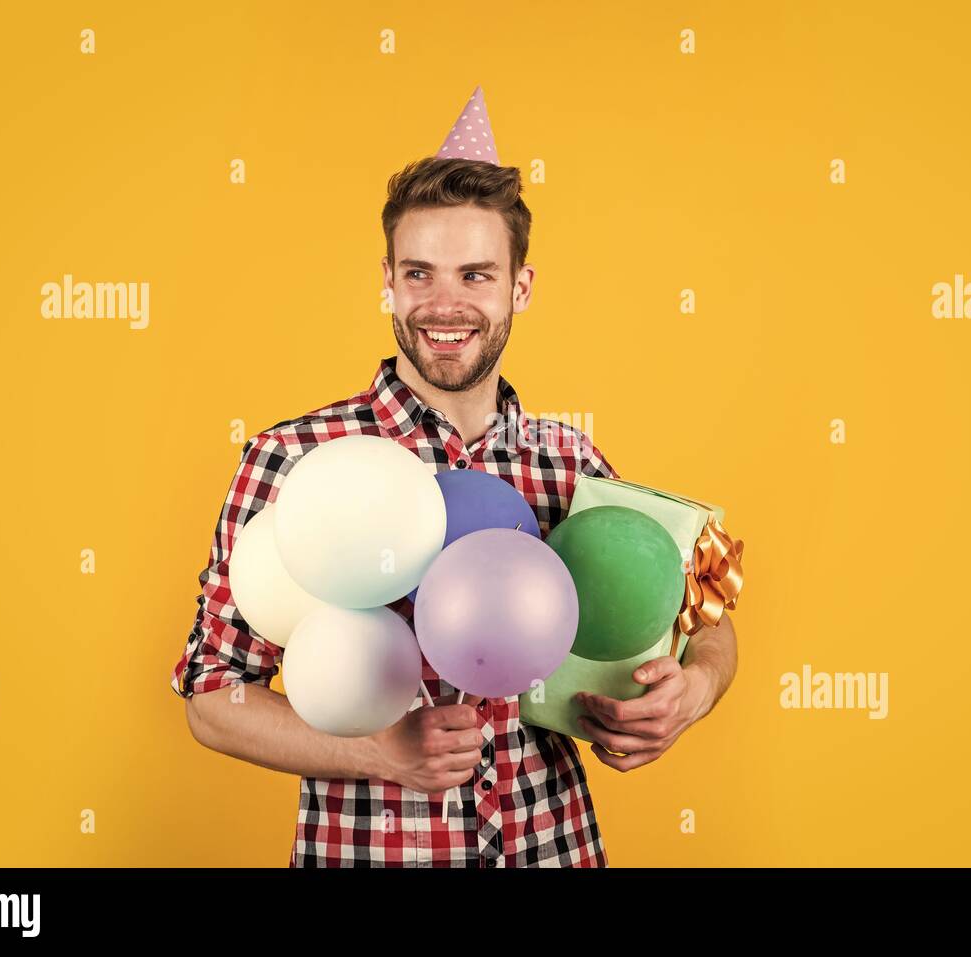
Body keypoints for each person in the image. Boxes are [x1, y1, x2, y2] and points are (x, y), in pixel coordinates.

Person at [172, 87, 738, 867]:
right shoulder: (299, 460)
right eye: (420, 273)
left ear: (521, 287)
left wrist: (692, 692)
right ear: (388, 281)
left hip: (556, 849)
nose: (445, 303)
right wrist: (378, 751)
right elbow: (212, 696)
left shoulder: (565, 461)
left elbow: (701, 620)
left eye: (476, 275)